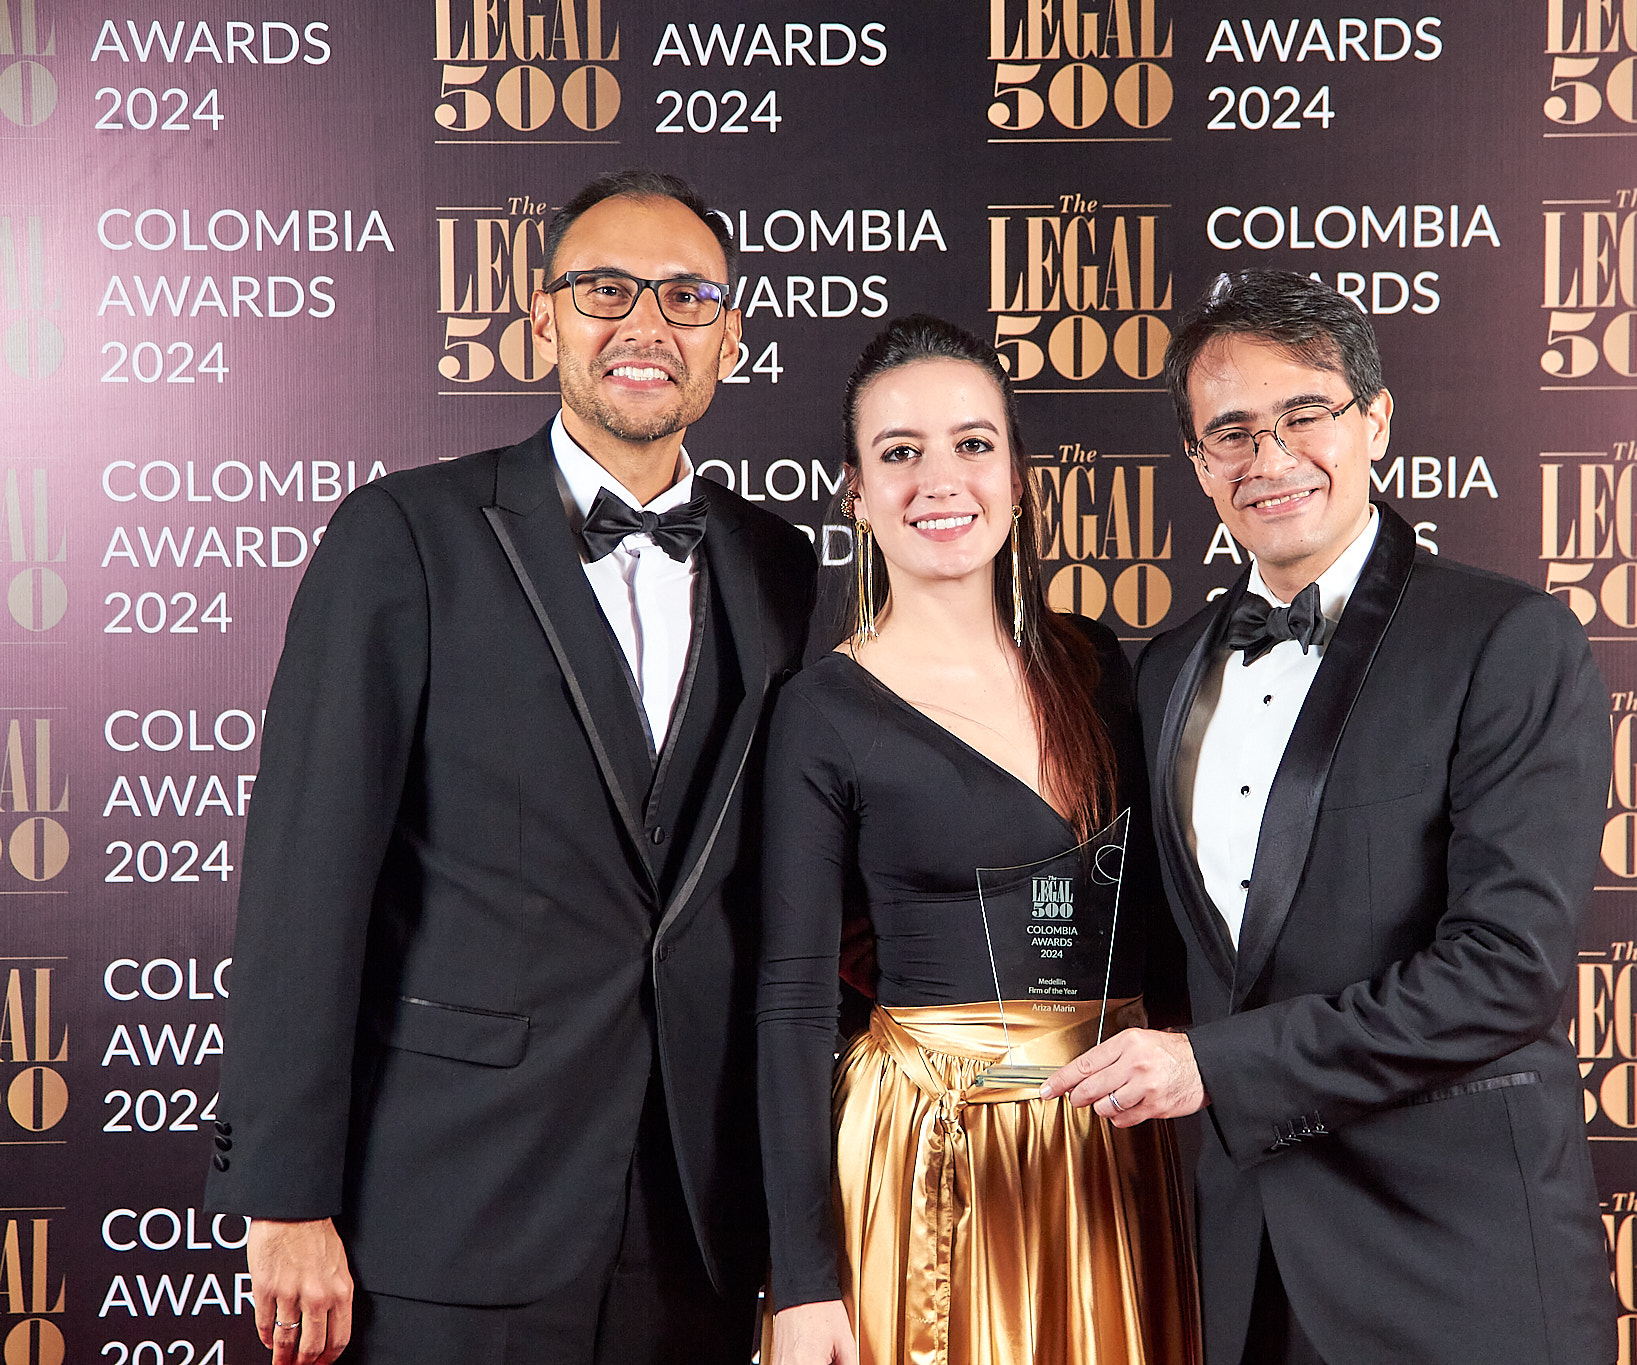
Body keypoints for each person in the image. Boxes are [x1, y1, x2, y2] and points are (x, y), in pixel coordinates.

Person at [204, 168, 816, 1365]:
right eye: (605, 290)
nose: (646, 324)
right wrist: (282, 1194)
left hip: (698, 1219)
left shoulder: (781, 567)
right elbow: (304, 881)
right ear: (542, 321)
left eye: (686, 297)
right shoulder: (403, 538)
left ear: (730, 338)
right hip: (449, 1203)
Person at [1042, 270, 1617, 1364]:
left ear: (1375, 422)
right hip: (1235, 1259)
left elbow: (1505, 971)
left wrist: (1220, 1068)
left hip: (1452, 1261)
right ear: (1197, 463)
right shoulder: (1165, 669)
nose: (1269, 458)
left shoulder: (1506, 640)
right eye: (1231, 432)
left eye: (1304, 414)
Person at [755, 315, 1200, 1365]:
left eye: (972, 443)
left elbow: (1163, 930)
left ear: (1017, 475)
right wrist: (803, 1279)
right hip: (931, 1156)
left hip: (1118, 1145)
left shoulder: (1097, 663)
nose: (939, 481)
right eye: (899, 453)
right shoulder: (822, 710)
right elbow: (792, 1003)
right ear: (856, 494)